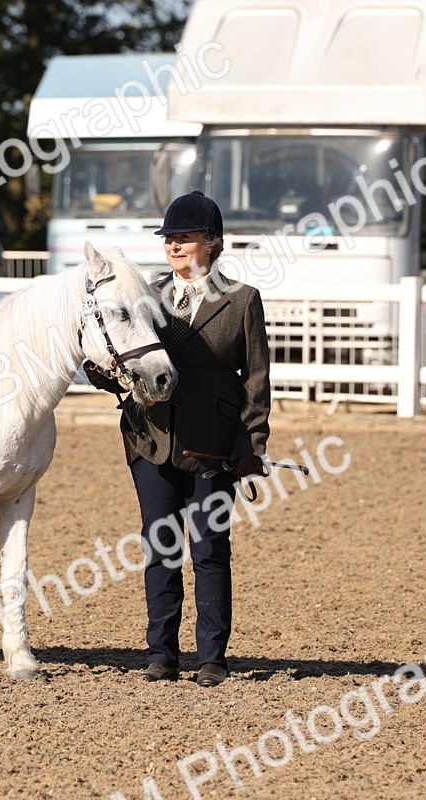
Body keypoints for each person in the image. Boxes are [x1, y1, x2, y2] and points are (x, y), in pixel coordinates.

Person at [84, 191, 271, 687]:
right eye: (169, 238)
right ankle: (161, 654)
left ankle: (212, 656)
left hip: (213, 444)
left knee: (210, 549)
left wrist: (252, 445)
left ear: (211, 243)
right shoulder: (147, 294)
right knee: (159, 547)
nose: (174, 246)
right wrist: (106, 376)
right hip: (152, 440)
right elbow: (126, 351)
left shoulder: (242, 301)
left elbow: (256, 379)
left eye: (184, 238)